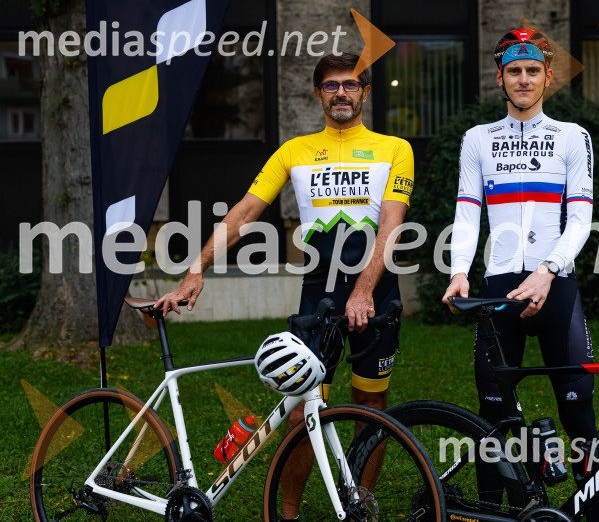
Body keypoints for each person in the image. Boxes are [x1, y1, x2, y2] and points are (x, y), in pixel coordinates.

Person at [156, 52, 414, 520]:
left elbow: (391, 226)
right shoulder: (294, 150)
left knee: (371, 404)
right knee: (301, 411)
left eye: (350, 84)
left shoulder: (395, 148)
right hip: (318, 297)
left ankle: (361, 505)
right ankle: (287, 514)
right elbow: (245, 212)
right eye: (331, 85)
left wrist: (363, 290)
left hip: (375, 292)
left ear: (365, 92)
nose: (341, 93)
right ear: (318, 93)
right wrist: (197, 269)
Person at [442, 29, 599, 521]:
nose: (524, 79)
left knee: (578, 412)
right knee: (491, 418)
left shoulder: (572, 136)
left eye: (533, 70)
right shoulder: (478, 139)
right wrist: (458, 271)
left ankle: (592, 515)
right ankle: (490, 514)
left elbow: (581, 218)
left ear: (548, 76)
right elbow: (467, 212)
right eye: (514, 71)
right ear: (500, 78)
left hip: (556, 289)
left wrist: (547, 271)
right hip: (498, 290)